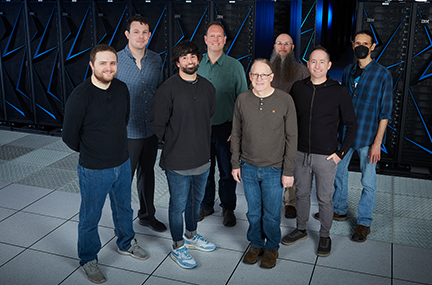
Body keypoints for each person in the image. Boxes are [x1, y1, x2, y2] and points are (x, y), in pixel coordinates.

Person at [62, 44, 148, 284]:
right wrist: (94, 151)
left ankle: (125, 243)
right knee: (90, 216)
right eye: (103, 63)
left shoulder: (122, 89)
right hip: (94, 169)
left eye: (112, 63)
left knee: (124, 208)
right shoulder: (80, 97)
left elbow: (124, 120)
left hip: (122, 162)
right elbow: (69, 136)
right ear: (92, 65)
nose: (109, 68)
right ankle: (88, 259)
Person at [281, 46, 357, 257]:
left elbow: (351, 124)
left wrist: (340, 153)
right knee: (302, 194)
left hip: (326, 156)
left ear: (329, 65)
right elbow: (289, 119)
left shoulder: (338, 91)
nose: (317, 65)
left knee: (324, 198)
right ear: (308, 64)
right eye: (313, 61)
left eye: (322, 62)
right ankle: (301, 229)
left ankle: (325, 235)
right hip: (299, 153)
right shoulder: (298, 88)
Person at [150, 40, 217, 269]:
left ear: (198, 59)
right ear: (177, 62)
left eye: (193, 56)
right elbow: (157, 124)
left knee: (195, 202)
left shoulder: (208, 87)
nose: (190, 61)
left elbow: (209, 114)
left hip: (202, 158)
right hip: (177, 160)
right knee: (178, 204)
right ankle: (178, 246)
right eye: (184, 57)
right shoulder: (167, 89)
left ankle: (191, 235)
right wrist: (176, 141)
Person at [326, 30, 393, 242]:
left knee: (369, 182)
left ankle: (364, 222)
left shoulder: (383, 74)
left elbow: (385, 113)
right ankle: (339, 209)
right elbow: (340, 105)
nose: (361, 46)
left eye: (366, 43)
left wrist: (377, 143)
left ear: (372, 47)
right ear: (353, 46)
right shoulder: (347, 71)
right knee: (339, 174)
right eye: (358, 43)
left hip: (368, 137)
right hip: (346, 135)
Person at [231, 59, 297, 269]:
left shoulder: (285, 100)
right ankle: (256, 243)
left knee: (270, 213)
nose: (259, 79)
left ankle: (272, 247)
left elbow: (291, 138)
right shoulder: (242, 99)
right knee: (252, 211)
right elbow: (236, 133)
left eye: (264, 75)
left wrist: (288, 171)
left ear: (271, 77)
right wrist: (235, 163)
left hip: (274, 168)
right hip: (248, 167)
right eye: (255, 75)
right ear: (250, 77)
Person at [116, 16, 166, 232]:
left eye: (145, 32)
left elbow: (161, 92)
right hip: (126, 131)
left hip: (150, 129)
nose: (141, 36)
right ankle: (122, 223)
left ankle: (147, 215)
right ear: (127, 34)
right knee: (123, 179)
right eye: (136, 32)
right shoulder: (115, 60)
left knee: (147, 173)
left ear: (150, 35)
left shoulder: (156, 59)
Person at [197, 21, 248, 227]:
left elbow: (243, 100)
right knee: (204, 171)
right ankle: (206, 205)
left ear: (225, 40)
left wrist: (237, 130)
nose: (216, 40)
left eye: (220, 36)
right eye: (212, 36)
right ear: (205, 40)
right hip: (200, 129)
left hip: (226, 129)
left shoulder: (235, 66)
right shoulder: (195, 64)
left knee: (228, 172)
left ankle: (228, 208)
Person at [270, 33, 310, 219]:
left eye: (287, 44)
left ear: (293, 47)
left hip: (293, 125)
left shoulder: (301, 71)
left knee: (290, 164)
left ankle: (290, 202)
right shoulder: (266, 68)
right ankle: (272, 199)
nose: (283, 47)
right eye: (280, 43)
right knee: (271, 163)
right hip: (268, 126)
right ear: (274, 46)